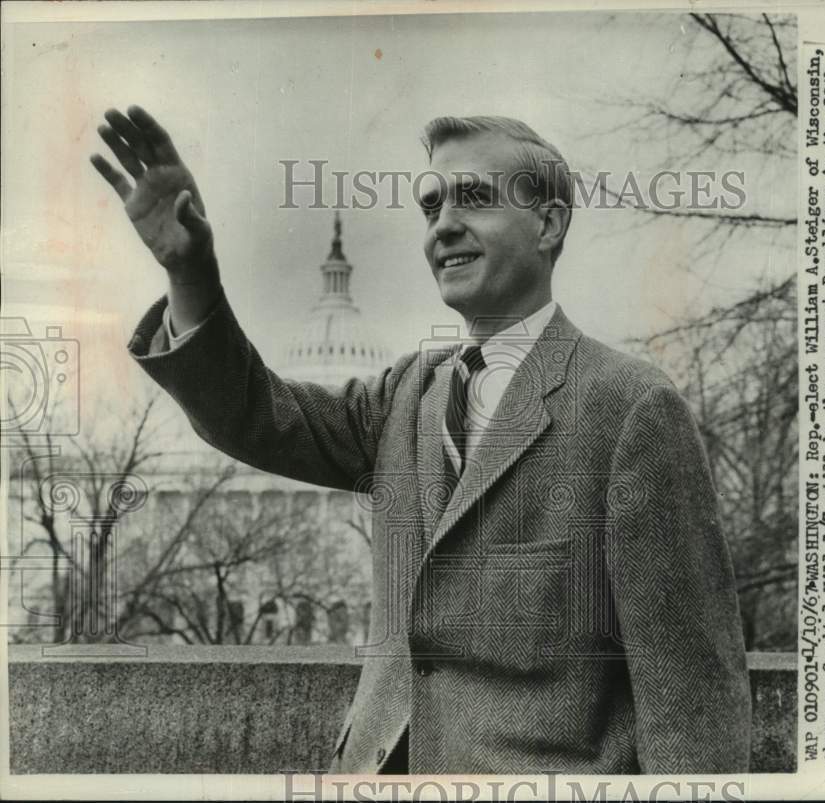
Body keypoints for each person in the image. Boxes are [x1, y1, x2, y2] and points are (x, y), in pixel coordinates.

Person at [91, 106, 752, 774]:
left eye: (474, 198)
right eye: (431, 206)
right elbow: (252, 416)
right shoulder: (408, 393)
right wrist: (191, 275)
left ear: (549, 224)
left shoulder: (630, 406)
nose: (444, 225)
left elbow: (691, 699)